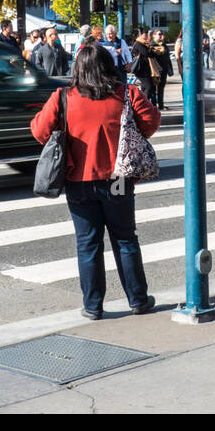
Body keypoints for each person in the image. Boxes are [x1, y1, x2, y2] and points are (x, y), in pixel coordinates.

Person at [30, 45, 158, 320]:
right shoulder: (126, 94)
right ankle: (138, 299)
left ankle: (93, 306)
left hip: (78, 180)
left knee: (87, 244)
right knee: (125, 239)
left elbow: (39, 131)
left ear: (77, 68)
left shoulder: (63, 97)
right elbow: (151, 122)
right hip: (118, 179)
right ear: (109, 66)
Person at [130, 29, 159, 107]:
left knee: (145, 87)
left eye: (146, 33)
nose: (145, 34)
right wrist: (152, 51)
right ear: (139, 35)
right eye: (144, 33)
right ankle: (142, 104)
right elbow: (147, 54)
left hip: (145, 69)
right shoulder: (139, 44)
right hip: (140, 70)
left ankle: (146, 104)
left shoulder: (144, 44)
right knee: (148, 86)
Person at [149, 28, 172, 109]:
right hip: (155, 70)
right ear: (153, 36)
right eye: (159, 34)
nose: (161, 36)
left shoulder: (164, 45)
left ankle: (161, 104)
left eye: (162, 34)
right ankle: (153, 104)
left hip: (163, 69)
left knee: (161, 87)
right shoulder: (151, 45)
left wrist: (170, 69)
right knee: (153, 88)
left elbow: (167, 58)